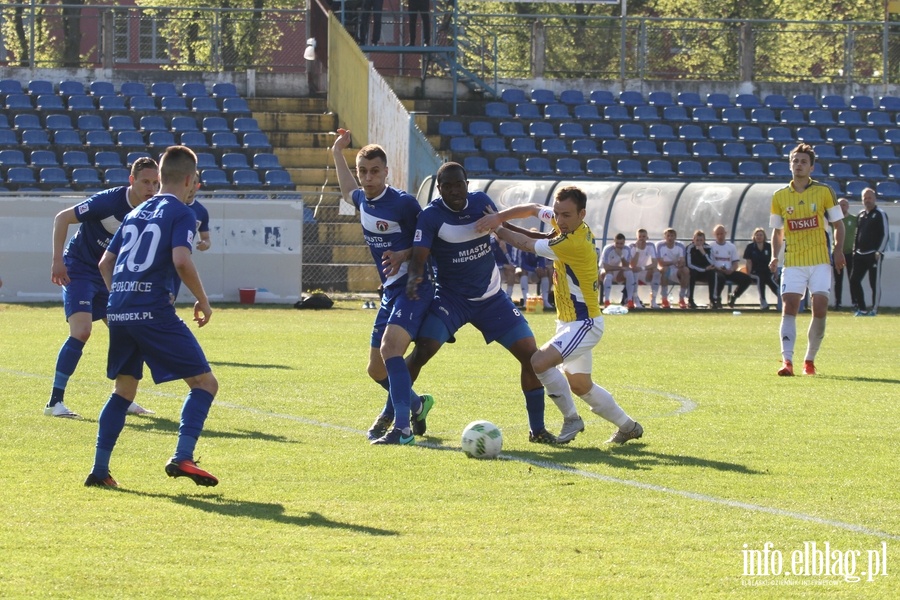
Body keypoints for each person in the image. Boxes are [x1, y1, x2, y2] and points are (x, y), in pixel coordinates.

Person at [85, 145, 219, 488]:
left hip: (118, 308)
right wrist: (203, 300)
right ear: (190, 179)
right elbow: (181, 260)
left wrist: (121, 294)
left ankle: (100, 471)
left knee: (124, 389)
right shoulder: (183, 212)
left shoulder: (136, 212)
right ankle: (182, 456)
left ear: (160, 177)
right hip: (153, 310)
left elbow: (105, 264)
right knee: (205, 383)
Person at [404, 162, 559, 444]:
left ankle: (537, 430)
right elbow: (419, 255)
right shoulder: (431, 216)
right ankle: (399, 414)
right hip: (452, 299)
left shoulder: (481, 202)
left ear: (467, 183)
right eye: (447, 186)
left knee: (531, 356)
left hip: (492, 299)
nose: (454, 190)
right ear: (439, 189)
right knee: (422, 351)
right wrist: (414, 278)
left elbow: (506, 228)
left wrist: (545, 238)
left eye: (459, 184)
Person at [475, 187, 643, 445]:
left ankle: (572, 419)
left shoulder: (572, 242)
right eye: (557, 213)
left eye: (566, 215)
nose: (560, 220)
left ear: (582, 214)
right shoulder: (566, 226)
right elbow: (532, 209)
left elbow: (528, 244)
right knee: (580, 385)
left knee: (539, 362)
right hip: (569, 322)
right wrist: (500, 218)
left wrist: (496, 226)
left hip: (585, 323)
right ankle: (629, 427)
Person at [332, 129, 434, 445]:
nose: (367, 177)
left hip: (415, 286)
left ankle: (401, 428)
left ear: (386, 172)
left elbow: (428, 240)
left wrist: (405, 254)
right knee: (376, 370)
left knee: (391, 350)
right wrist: (337, 152)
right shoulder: (363, 199)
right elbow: (348, 189)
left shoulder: (403, 204)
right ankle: (417, 404)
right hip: (390, 290)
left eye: (375, 171)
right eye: (363, 171)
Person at [47, 157, 159, 419]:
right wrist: (57, 261)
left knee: (130, 333)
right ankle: (55, 402)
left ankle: (124, 398)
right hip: (80, 269)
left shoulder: (154, 210)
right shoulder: (108, 201)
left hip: (110, 276)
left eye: (156, 183)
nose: (151, 188)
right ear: (132, 181)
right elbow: (62, 218)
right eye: (145, 182)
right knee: (82, 330)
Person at [769, 143, 845, 377]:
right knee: (789, 305)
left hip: (820, 260)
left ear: (811, 167)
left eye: (803, 161)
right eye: (795, 161)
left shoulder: (824, 192)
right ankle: (787, 361)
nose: (799, 165)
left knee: (820, 308)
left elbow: (838, 225)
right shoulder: (779, 196)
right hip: (793, 261)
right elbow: (777, 230)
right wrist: (774, 256)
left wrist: (838, 249)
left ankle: (809, 360)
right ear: (790, 164)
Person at [849, 187, 890, 317]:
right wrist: (855, 250)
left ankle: (874, 309)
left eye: (869, 197)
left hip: (874, 255)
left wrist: (879, 251)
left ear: (874, 198)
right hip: (860, 254)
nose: (867, 200)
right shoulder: (861, 214)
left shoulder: (880, 214)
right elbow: (857, 234)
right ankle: (862, 309)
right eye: (865, 198)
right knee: (854, 280)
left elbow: (885, 234)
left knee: (874, 283)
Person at [709, 224, 753, 309]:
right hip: (716, 271)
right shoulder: (711, 246)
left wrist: (731, 270)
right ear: (714, 235)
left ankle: (734, 296)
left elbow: (735, 263)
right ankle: (717, 298)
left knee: (747, 279)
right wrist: (719, 269)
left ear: (725, 233)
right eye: (717, 234)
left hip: (729, 271)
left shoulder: (731, 246)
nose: (720, 236)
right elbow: (710, 263)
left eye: (721, 234)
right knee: (720, 278)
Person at [743, 227, 779, 310]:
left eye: (761, 235)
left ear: (764, 236)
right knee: (760, 278)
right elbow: (749, 262)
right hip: (755, 272)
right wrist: (748, 274)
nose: (759, 237)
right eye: (757, 235)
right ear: (754, 236)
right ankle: (763, 300)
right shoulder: (750, 247)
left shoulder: (769, 247)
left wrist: (776, 274)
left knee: (769, 279)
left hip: (767, 271)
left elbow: (774, 261)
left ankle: (781, 298)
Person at [655, 228, 689, 309]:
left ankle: (681, 298)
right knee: (665, 269)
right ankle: (664, 299)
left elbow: (682, 261)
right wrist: (673, 262)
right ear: (665, 237)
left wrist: (680, 264)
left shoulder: (680, 245)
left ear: (675, 237)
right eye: (668, 236)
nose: (670, 238)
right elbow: (660, 263)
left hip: (676, 270)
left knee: (686, 270)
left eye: (672, 236)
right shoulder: (659, 245)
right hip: (664, 270)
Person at [599, 233, 635, 308]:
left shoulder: (627, 249)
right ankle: (607, 301)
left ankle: (630, 300)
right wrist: (620, 268)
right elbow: (606, 267)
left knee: (629, 273)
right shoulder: (608, 249)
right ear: (614, 241)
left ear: (624, 242)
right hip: (604, 270)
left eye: (621, 243)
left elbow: (626, 266)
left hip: (618, 270)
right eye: (617, 243)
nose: (619, 245)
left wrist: (621, 256)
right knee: (608, 275)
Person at [832, 198, 856, 310]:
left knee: (853, 279)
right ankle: (838, 303)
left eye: (845, 205)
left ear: (848, 206)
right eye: (840, 205)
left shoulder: (854, 219)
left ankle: (855, 302)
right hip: (837, 253)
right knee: (838, 280)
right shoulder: (834, 220)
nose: (843, 207)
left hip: (850, 253)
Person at [685, 230, 717, 309]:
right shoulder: (689, 248)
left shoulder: (708, 248)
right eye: (697, 240)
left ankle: (712, 300)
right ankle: (690, 300)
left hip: (705, 272)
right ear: (693, 240)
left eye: (701, 240)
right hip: (695, 271)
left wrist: (703, 253)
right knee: (691, 273)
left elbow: (712, 262)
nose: (699, 242)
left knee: (712, 273)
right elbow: (689, 264)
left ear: (704, 240)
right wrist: (704, 269)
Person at [629, 228, 659, 308]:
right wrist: (638, 250)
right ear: (637, 238)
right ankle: (636, 301)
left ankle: (653, 301)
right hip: (634, 271)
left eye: (644, 236)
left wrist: (642, 268)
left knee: (656, 272)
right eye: (640, 236)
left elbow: (655, 263)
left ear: (647, 237)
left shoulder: (651, 245)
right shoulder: (632, 246)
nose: (642, 238)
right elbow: (632, 264)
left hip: (643, 270)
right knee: (634, 271)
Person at [490, 236, 518, 300]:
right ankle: (496, 297)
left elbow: (513, 264)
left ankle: (508, 296)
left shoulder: (511, 243)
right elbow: (490, 262)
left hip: (506, 271)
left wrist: (505, 251)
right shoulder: (490, 242)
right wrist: (503, 265)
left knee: (511, 271)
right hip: (494, 269)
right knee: (496, 272)